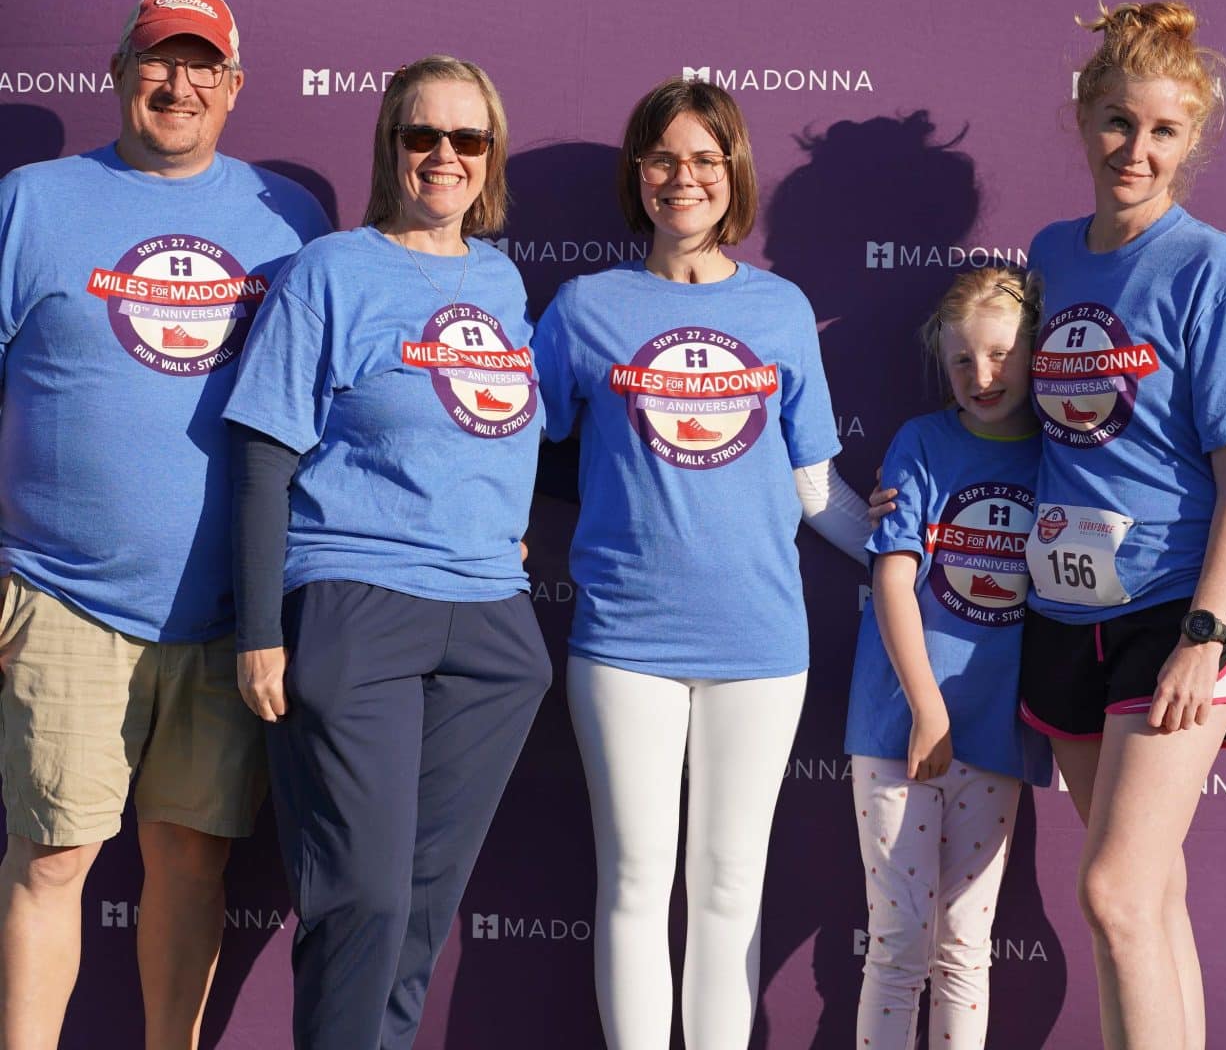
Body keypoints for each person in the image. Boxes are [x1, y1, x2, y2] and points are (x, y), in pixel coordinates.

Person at [0, 0, 329, 1048]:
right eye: (157, 61)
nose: (176, 85)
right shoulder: (33, 202)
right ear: (118, 72)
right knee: (52, 858)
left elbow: (337, 401)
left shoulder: (289, 218)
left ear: (235, 86)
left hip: (232, 611)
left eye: (202, 67)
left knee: (193, 859)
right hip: (60, 595)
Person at [532, 77, 871, 1049]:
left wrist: (910, 553)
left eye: (703, 159)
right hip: (622, 640)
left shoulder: (778, 308)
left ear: (733, 176)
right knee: (634, 880)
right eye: (663, 158)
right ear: (637, 174)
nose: (682, 178)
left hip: (761, 643)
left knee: (728, 887)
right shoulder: (584, 308)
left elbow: (814, 489)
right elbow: (511, 444)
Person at [224, 55, 552, 1050]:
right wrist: (258, 630)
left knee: (421, 902)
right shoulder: (331, 269)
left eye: (467, 139)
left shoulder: (500, 277)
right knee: (359, 894)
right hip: (354, 600)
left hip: (492, 623)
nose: (444, 156)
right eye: (422, 136)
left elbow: (491, 424)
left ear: (488, 157)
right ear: (389, 146)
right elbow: (262, 450)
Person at [1018, 1, 1226, 1050]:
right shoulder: (1048, 254)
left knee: (1113, 895)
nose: (1135, 148)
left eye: (1162, 130)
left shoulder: (1208, 266)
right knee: (1150, 899)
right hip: (1062, 606)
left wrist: (1205, 632)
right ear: (1082, 120)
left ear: (1191, 142)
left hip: (1177, 604)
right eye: (1118, 121)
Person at [846, 266, 1052, 1049]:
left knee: (966, 945)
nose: (983, 375)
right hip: (900, 725)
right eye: (963, 359)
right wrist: (928, 708)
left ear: (1037, 355)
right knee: (898, 946)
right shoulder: (922, 443)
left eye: (1002, 354)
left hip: (998, 730)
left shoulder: (1058, 458)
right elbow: (893, 578)